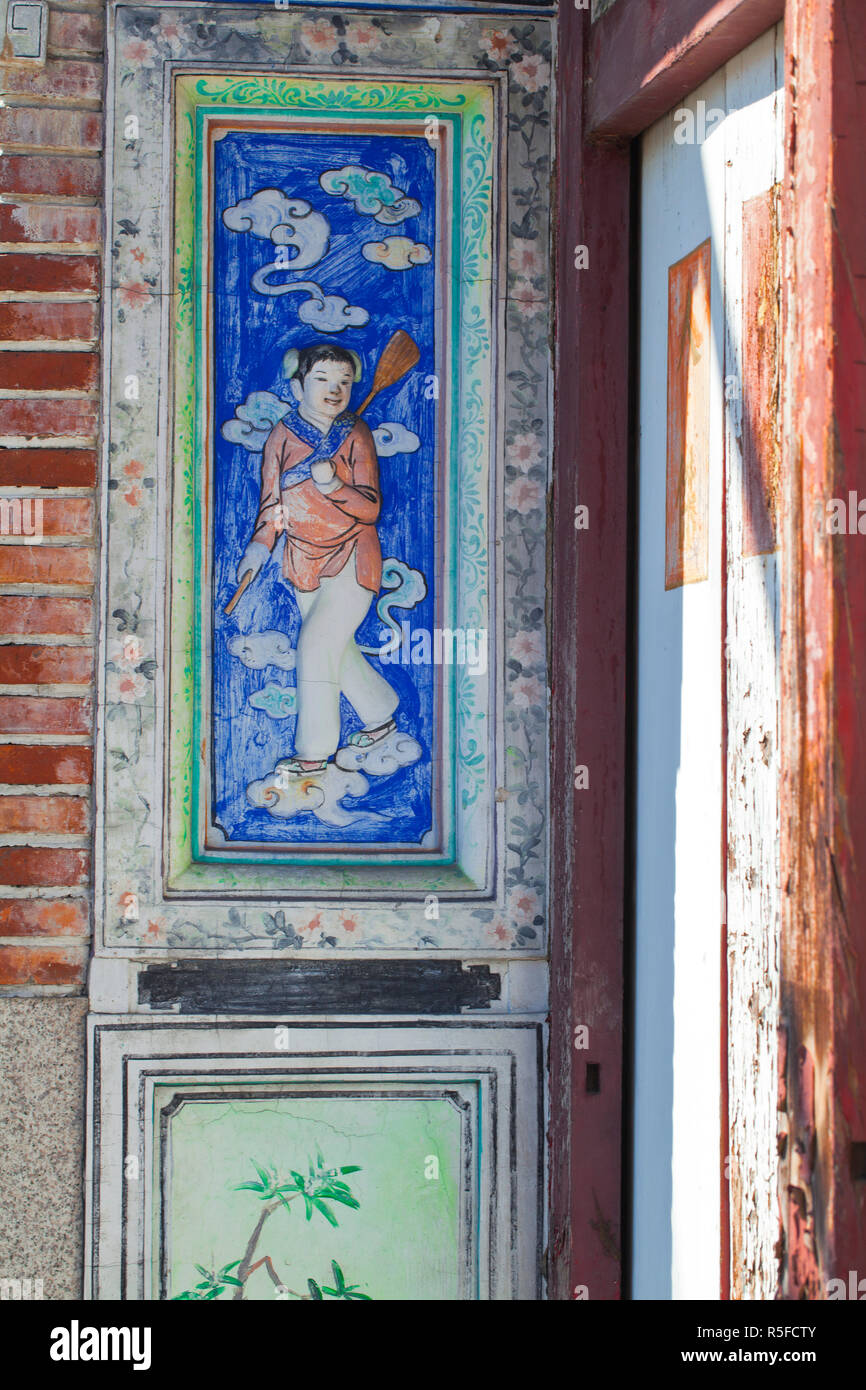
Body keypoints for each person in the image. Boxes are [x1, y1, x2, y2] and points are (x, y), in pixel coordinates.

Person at [236, 342, 399, 776]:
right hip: (302, 560)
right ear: (297, 386)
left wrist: (332, 487)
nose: (335, 389)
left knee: (314, 646)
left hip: (353, 555)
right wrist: (258, 549)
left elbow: (370, 508)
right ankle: (380, 713)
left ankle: (314, 751)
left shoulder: (355, 433)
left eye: (344, 382)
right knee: (336, 649)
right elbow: (271, 506)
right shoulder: (282, 436)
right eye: (322, 379)